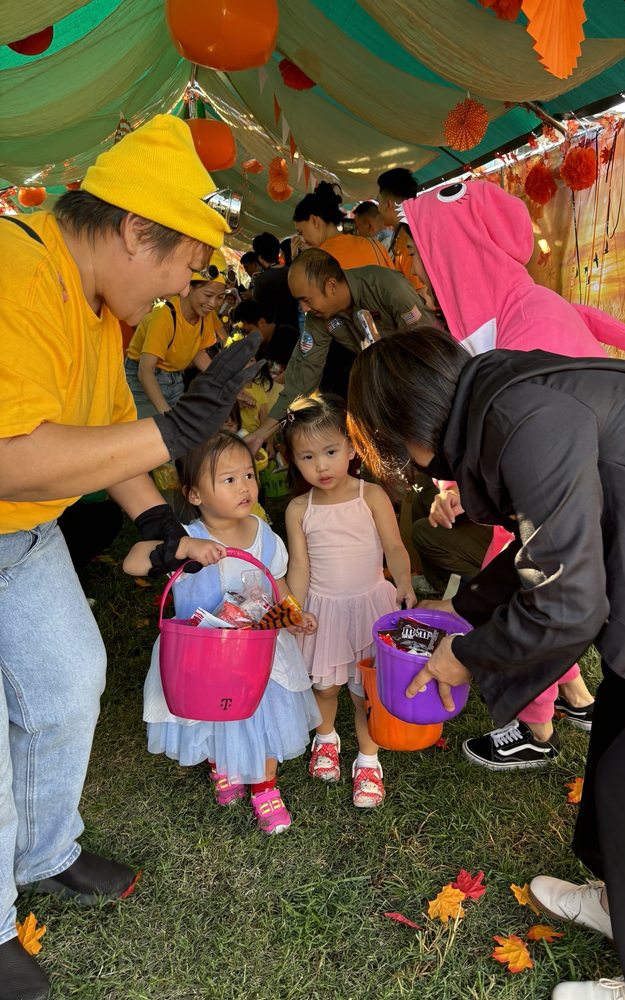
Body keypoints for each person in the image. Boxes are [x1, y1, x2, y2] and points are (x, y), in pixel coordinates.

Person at [346, 328, 625, 1000]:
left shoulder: (521, 419)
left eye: (389, 451)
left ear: (404, 426)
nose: (408, 467)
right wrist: (466, 613)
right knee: (619, 739)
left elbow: (565, 602)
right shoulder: (501, 397)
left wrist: (464, 657)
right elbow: (552, 543)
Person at [0, 113, 261, 1000]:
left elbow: (103, 436)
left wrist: (155, 519)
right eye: (182, 266)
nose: (183, 288)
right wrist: (170, 428)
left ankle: (43, 855)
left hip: (21, 537)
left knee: (70, 684)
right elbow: (11, 456)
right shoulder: (14, 268)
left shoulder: (100, 301)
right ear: (132, 231)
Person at [399, 179, 625, 768]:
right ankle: (577, 697)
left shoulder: (526, 322)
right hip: (579, 492)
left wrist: (465, 651)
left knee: (535, 590)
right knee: (523, 586)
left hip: (587, 495)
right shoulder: (499, 317)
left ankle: (533, 730)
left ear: (453, 252)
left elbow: (559, 590)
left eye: (419, 252)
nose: (410, 267)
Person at [123, 431, 320, 834]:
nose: (244, 486)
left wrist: (293, 612)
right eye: (228, 480)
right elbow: (132, 563)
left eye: (248, 474)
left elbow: (276, 583)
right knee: (212, 716)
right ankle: (222, 767)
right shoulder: (186, 535)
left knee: (264, 716)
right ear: (194, 494)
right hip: (202, 656)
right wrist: (180, 550)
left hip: (255, 654)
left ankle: (265, 788)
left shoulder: (265, 534)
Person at [283, 394, 416, 808]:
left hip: (369, 607)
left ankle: (368, 760)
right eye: (307, 456)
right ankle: (325, 738)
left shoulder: (370, 495)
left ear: (353, 448)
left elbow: (394, 547)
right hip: (324, 611)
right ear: (293, 460)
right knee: (324, 687)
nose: (321, 466)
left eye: (330, 451)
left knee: (364, 692)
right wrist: (294, 609)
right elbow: (300, 568)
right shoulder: (297, 509)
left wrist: (405, 581)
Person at [246, 249, 435, 454]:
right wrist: (261, 434)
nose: (304, 309)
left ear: (331, 286)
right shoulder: (318, 319)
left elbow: (427, 347)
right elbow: (302, 377)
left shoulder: (387, 287)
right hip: (385, 394)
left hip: (423, 391)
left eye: (306, 299)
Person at [125, 248, 226, 416]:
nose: (213, 303)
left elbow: (196, 352)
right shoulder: (164, 317)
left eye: (220, 297)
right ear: (188, 288)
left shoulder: (205, 317)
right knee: (157, 432)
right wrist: (167, 415)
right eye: (208, 295)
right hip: (141, 382)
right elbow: (145, 372)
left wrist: (223, 383)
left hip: (174, 379)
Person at [293, 182, 393, 270]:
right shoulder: (374, 246)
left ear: (314, 221)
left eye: (301, 232)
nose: (303, 239)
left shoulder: (317, 264)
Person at [376, 167, 425, 296]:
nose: (378, 208)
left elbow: (423, 295)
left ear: (388, 204)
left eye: (378, 201)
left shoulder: (406, 239)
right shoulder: (409, 231)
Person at [251, 232, 301, 332]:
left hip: (273, 335)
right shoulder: (292, 272)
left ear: (260, 258)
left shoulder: (261, 280)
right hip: (295, 331)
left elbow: (257, 313)